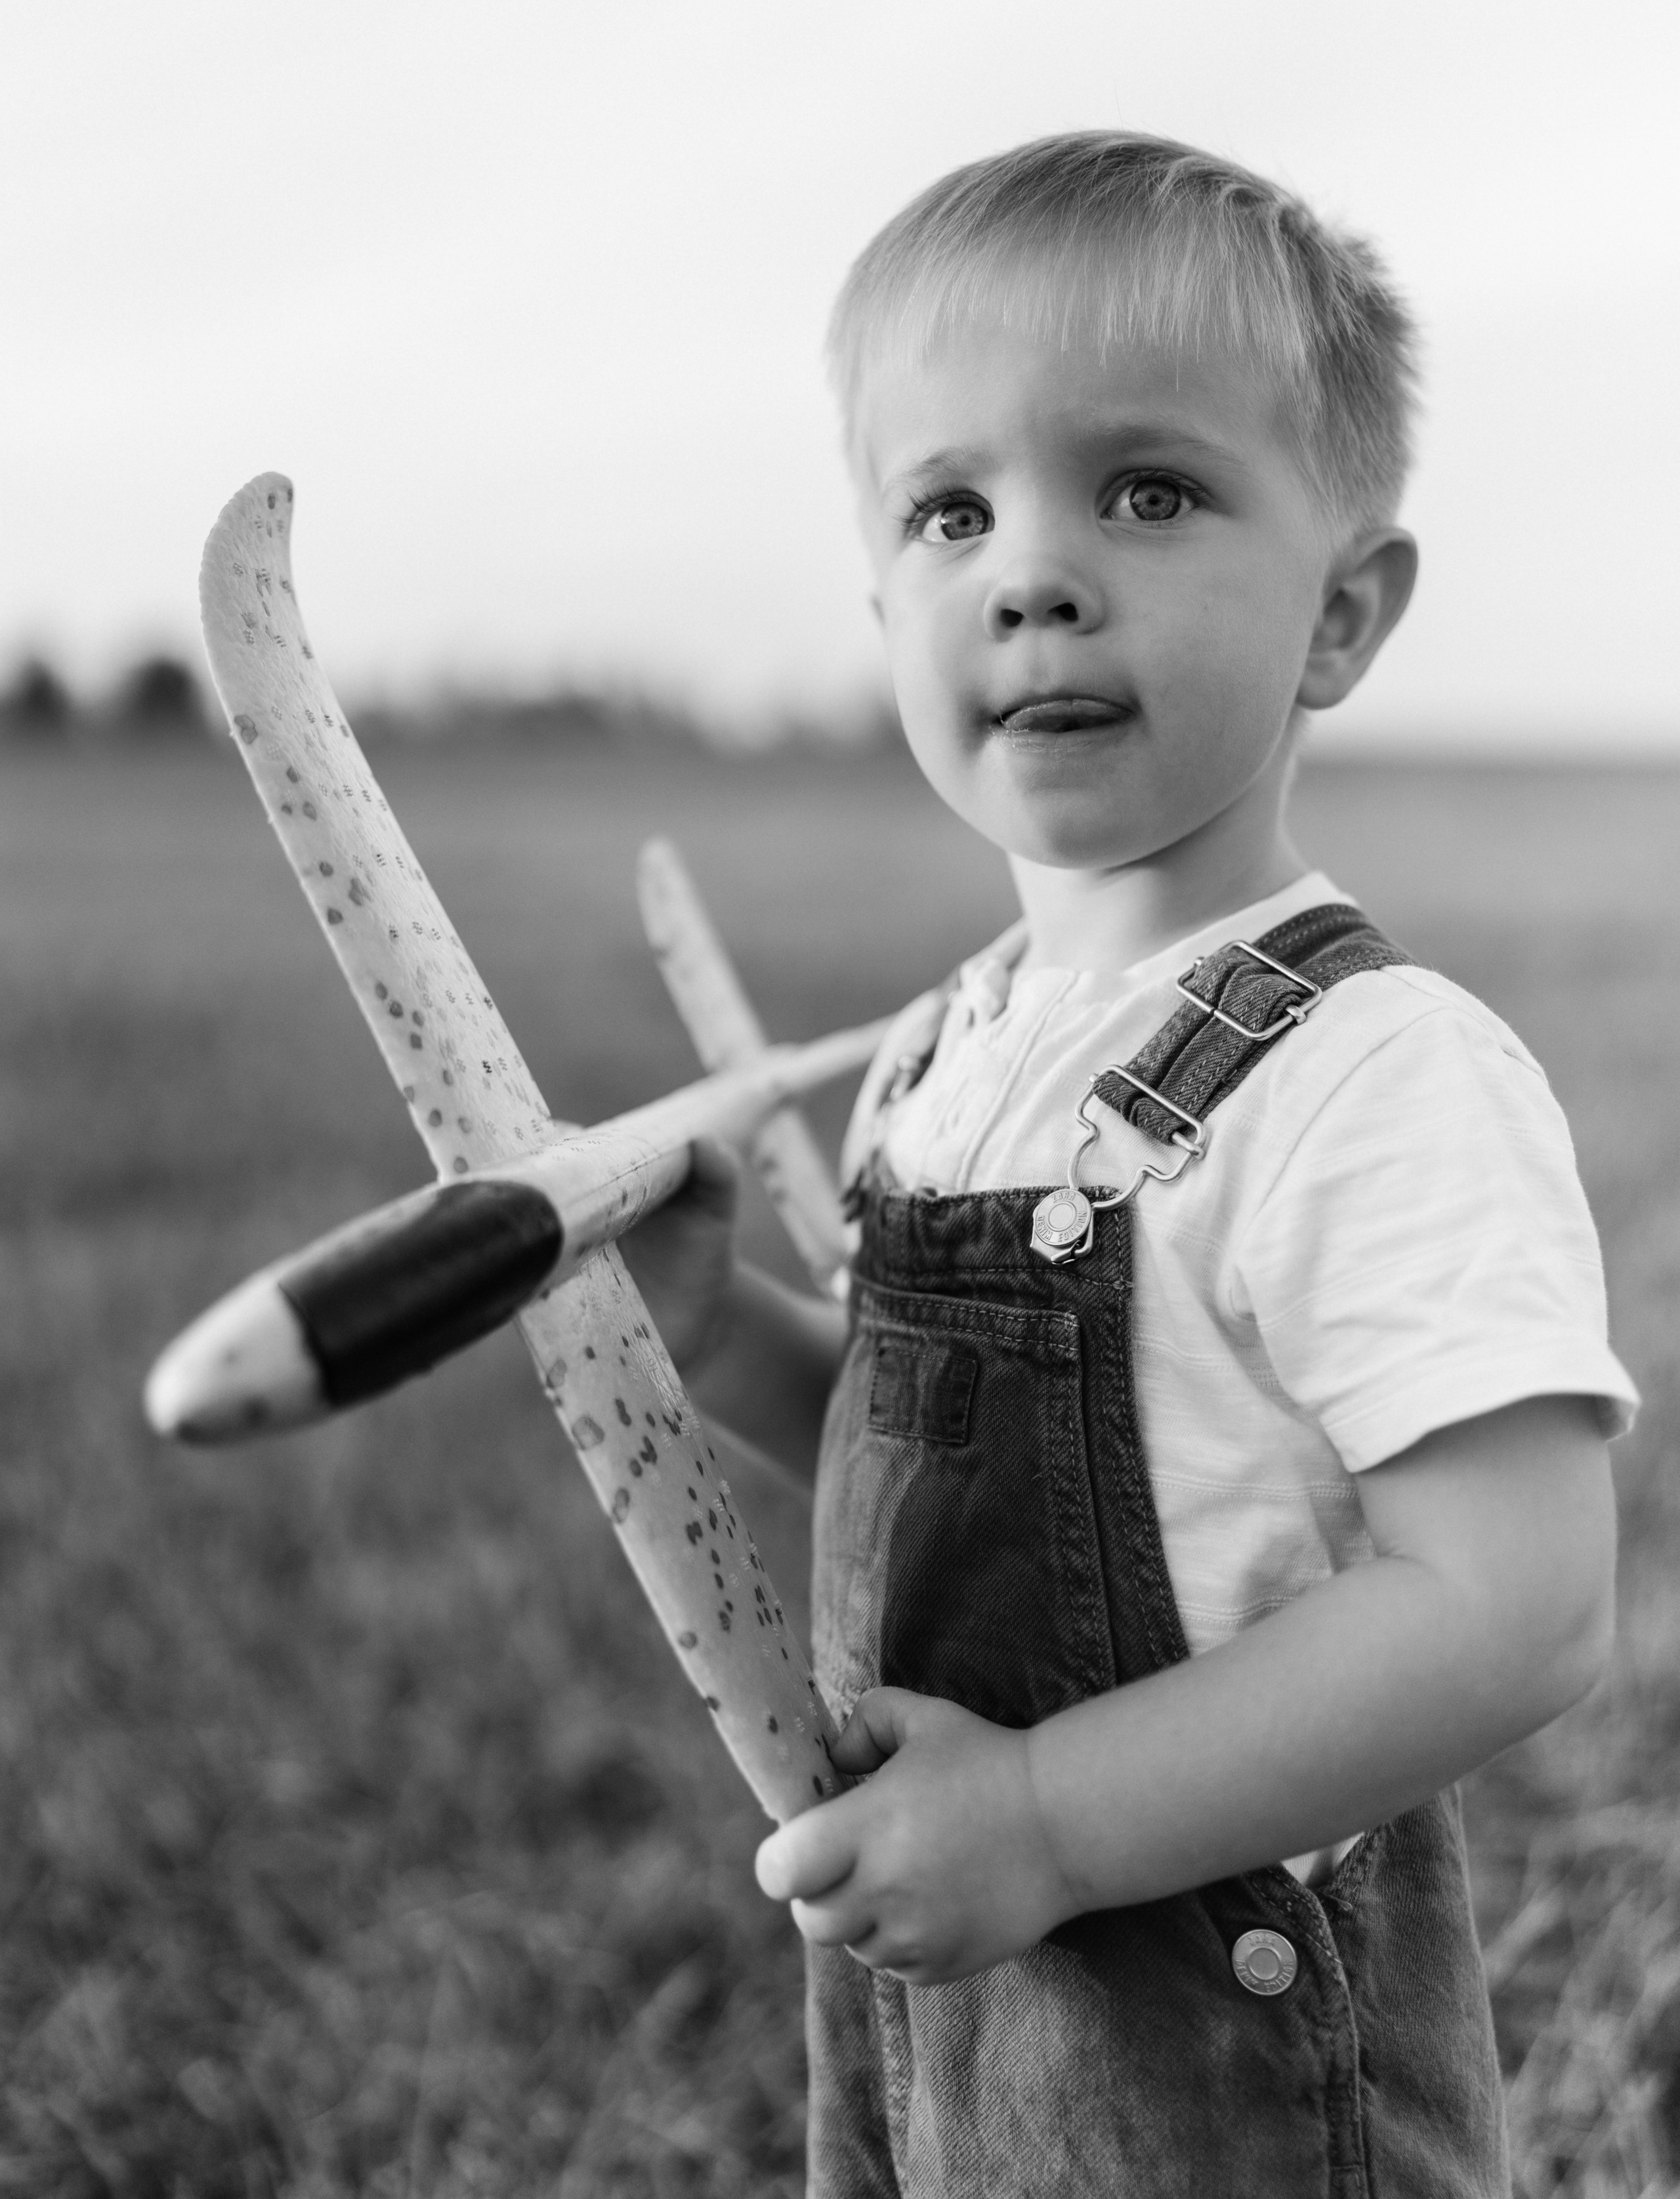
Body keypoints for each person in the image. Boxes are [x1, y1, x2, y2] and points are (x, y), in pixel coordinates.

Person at [623, 133, 1637, 2196]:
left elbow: (1517, 1604)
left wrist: (1057, 1822)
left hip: (1216, 2049)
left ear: (1343, 612)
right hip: (956, 2010)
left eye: (1148, 491)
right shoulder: (951, 1048)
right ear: (886, 591)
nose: (1033, 567)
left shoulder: (1368, 1072)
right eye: (949, 507)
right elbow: (970, 1495)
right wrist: (727, 1334)